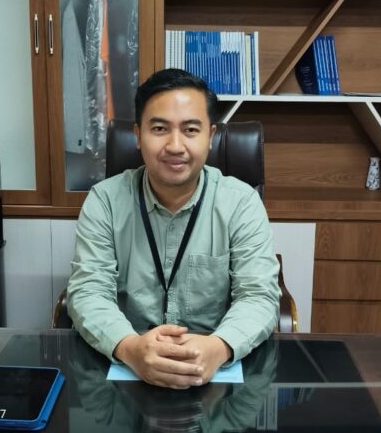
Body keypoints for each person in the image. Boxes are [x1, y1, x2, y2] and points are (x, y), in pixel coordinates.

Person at [67, 68, 280, 390]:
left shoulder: (241, 203)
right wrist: (130, 348)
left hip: (215, 372)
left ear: (211, 136)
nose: (175, 146)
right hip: (129, 367)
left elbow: (259, 295)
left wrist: (219, 347)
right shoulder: (105, 201)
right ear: (138, 136)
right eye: (159, 129)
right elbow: (88, 291)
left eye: (191, 130)